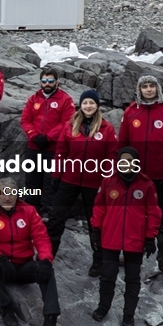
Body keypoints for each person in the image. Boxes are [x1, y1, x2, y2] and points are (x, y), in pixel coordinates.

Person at [0, 178, 60, 326]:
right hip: (2, 265)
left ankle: (50, 318)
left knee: (47, 270)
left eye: (11, 193)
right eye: (3, 193)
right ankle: (6, 307)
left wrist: (45, 259)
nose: (7, 197)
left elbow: (41, 237)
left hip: (23, 265)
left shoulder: (28, 211)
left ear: (17, 195)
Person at [46, 89, 118, 276]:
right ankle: (47, 257)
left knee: (96, 223)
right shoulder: (70, 126)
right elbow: (61, 152)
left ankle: (99, 260)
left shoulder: (106, 128)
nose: (88, 106)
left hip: (94, 184)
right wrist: (56, 175)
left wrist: (108, 180)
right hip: (68, 180)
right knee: (55, 218)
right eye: (85, 103)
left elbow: (111, 156)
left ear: (97, 106)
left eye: (91, 103)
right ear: (81, 105)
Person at [118, 75, 163, 281]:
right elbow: (123, 145)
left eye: (151, 86)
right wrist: (123, 170)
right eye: (144, 86)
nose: (148, 90)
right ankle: (130, 253)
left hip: (161, 176)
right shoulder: (130, 112)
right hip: (135, 175)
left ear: (157, 89)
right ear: (139, 89)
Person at [91, 148, 162, 326]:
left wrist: (150, 237)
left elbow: (153, 212)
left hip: (135, 240)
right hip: (110, 237)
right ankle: (103, 308)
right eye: (123, 160)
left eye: (130, 160)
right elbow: (99, 207)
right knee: (107, 276)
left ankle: (128, 315)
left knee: (133, 279)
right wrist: (96, 230)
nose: (126, 164)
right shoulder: (109, 181)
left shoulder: (146, 185)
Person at [19, 67, 75, 212]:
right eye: (44, 81)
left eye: (50, 81)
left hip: (53, 148)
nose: (47, 84)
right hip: (34, 146)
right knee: (32, 180)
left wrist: (49, 137)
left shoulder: (65, 100)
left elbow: (67, 123)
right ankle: (30, 209)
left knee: (50, 181)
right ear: (40, 82)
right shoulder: (33, 99)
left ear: (57, 82)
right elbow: (25, 120)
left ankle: (46, 212)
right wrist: (33, 135)